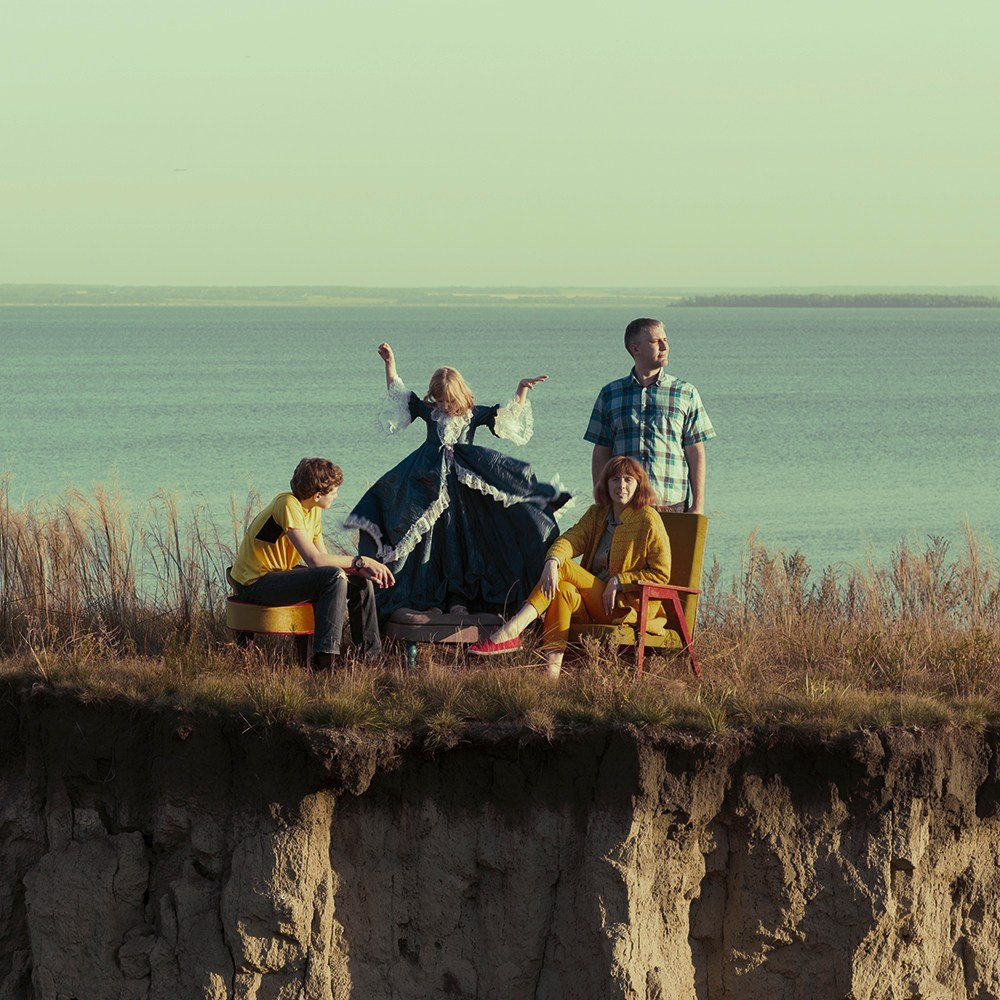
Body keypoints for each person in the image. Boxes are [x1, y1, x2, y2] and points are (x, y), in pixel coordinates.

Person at [344, 343, 569, 621]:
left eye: (449, 401)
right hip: (428, 487)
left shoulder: (474, 414)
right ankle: (430, 598)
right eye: (440, 401)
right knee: (430, 542)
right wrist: (390, 363)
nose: (445, 407)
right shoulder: (430, 411)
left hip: (464, 493)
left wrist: (521, 389)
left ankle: (460, 598)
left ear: (461, 395)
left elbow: (508, 417)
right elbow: (399, 393)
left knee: (464, 541)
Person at [468, 456, 671, 676]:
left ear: (639, 484)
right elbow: (570, 539)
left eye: (628, 479)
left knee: (564, 568)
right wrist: (551, 561)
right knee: (562, 588)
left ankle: (511, 631)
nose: (621, 485)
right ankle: (551, 674)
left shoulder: (648, 518)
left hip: (624, 608)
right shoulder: (597, 513)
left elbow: (661, 574)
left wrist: (620, 581)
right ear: (606, 483)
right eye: (615, 479)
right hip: (593, 603)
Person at [230, 457, 395, 671]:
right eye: (334, 492)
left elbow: (323, 561)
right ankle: (324, 664)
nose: (337, 496)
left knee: (359, 582)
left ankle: (370, 660)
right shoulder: (287, 504)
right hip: (254, 583)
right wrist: (361, 560)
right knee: (334, 578)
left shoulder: (313, 510)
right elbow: (314, 560)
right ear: (317, 495)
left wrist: (359, 570)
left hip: (276, 577)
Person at [585, 317, 715, 513]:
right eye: (655, 341)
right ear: (635, 349)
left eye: (665, 340)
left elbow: (695, 450)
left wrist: (698, 504)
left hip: (671, 503)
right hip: (624, 504)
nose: (664, 347)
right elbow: (601, 451)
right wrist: (601, 502)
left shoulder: (685, 392)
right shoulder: (610, 394)